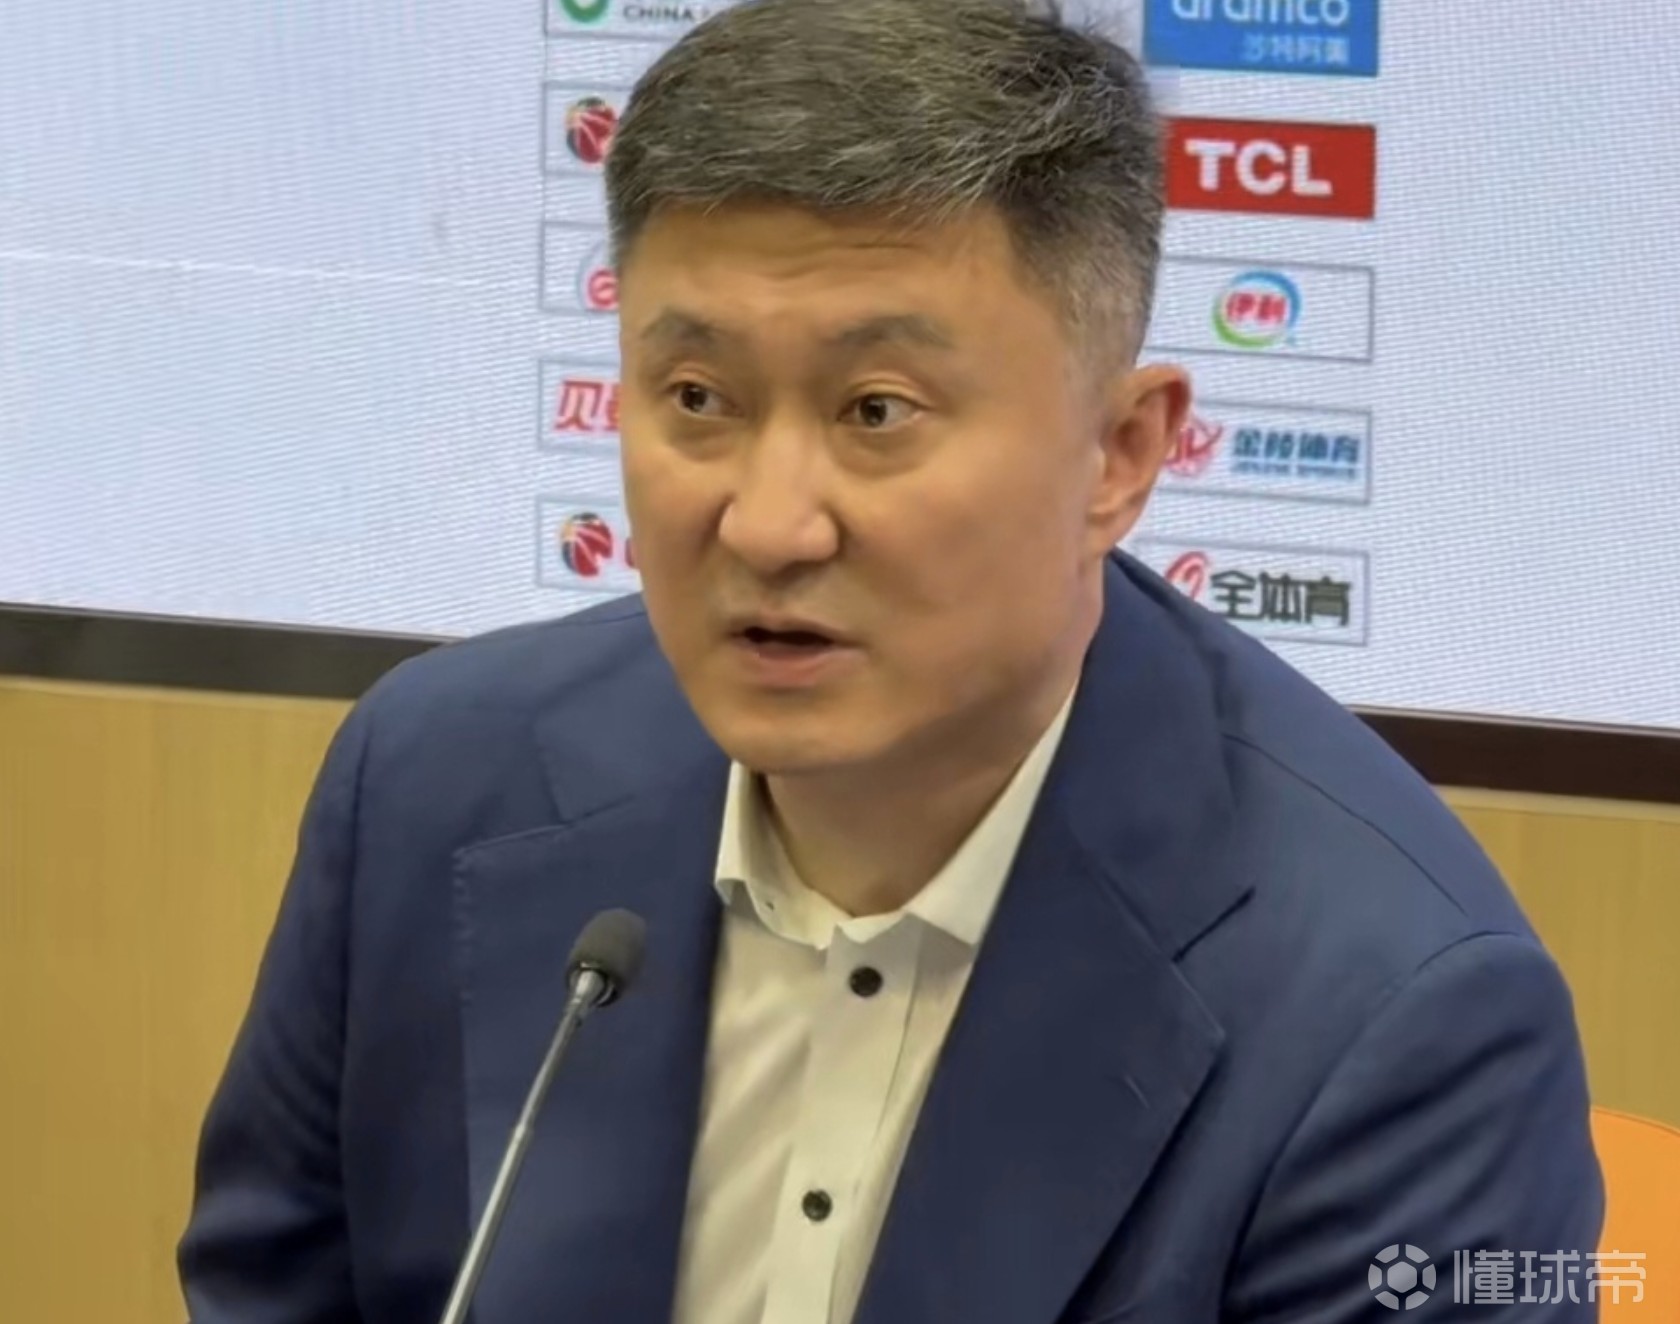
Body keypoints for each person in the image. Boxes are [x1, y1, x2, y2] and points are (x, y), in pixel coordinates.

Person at [178, 0, 1604, 1319]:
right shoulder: (431, 787)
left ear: (1119, 455)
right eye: (698, 397)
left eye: (876, 410)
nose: (769, 523)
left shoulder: (1400, 1019)